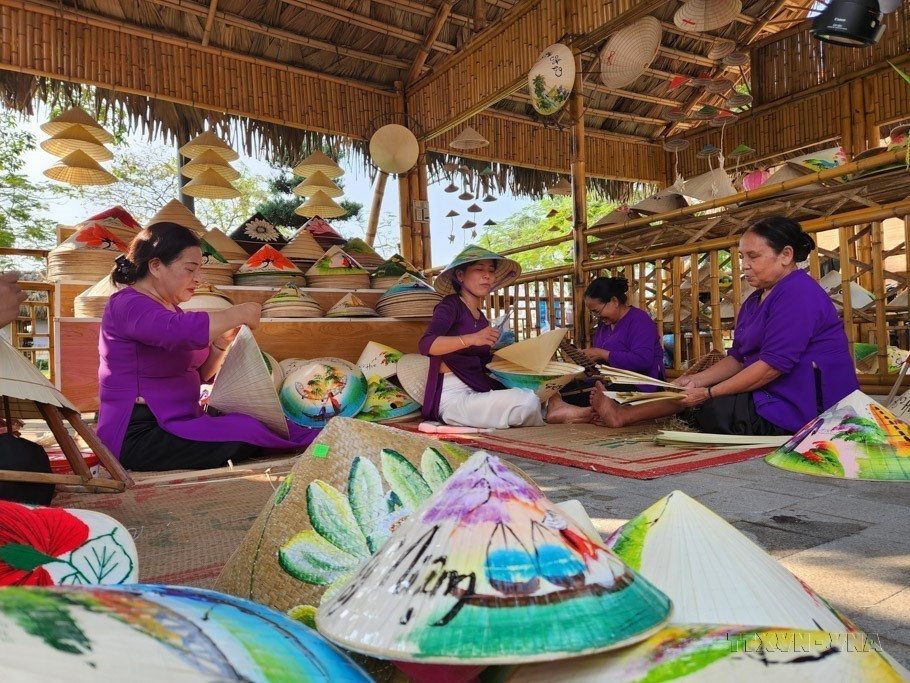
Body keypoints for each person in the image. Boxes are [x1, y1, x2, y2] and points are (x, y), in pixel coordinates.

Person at [592, 216, 859, 435]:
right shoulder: (756, 299)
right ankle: (624, 415)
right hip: (773, 391)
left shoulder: (799, 292)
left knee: (712, 408)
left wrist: (708, 392)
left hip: (806, 401)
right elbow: (739, 358)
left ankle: (623, 415)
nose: (744, 266)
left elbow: (772, 367)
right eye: (742, 257)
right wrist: (695, 381)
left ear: (786, 255)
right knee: (694, 398)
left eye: (753, 257)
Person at [95, 221, 319, 471]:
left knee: (255, 425)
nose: (198, 279)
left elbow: (196, 374)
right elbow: (178, 332)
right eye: (190, 269)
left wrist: (220, 347)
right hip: (139, 431)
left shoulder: (169, 310)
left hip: (181, 419)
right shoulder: (127, 303)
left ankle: (322, 443)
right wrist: (239, 312)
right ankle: (316, 447)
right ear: (156, 266)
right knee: (244, 435)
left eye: (198, 270)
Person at [418, 245, 593, 429]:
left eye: (491, 271)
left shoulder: (482, 317)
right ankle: (548, 412)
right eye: (479, 269)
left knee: (538, 381)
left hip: (479, 387)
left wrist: (517, 355)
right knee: (524, 401)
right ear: (460, 276)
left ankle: (556, 407)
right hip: (453, 398)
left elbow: (482, 361)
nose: (487, 275)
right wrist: (471, 338)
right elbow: (426, 345)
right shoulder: (450, 305)